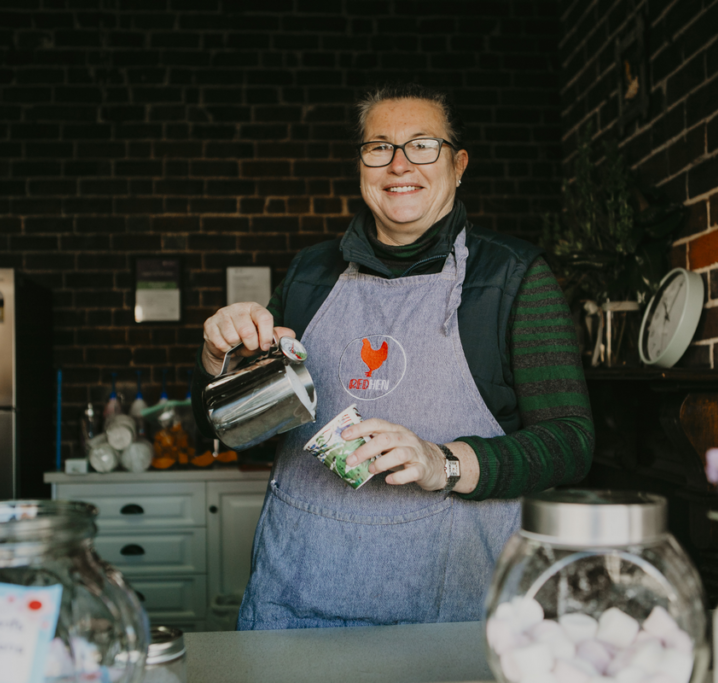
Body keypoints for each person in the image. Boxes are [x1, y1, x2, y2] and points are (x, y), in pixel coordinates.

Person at [190, 83, 594, 630]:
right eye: (380, 147)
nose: (400, 164)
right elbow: (229, 430)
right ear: (362, 165)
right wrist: (219, 361)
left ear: (459, 164)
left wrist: (443, 462)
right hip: (294, 608)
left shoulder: (513, 277)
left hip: (449, 620)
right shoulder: (309, 276)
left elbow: (570, 442)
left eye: (423, 145)